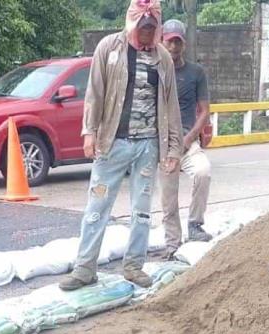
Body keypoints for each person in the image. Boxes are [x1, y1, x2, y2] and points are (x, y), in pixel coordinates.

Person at [61, 0, 182, 292]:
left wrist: (174, 149)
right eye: (142, 27)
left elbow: (171, 105)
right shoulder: (109, 48)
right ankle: (85, 268)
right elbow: (95, 93)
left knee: (141, 209)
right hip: (112, 142)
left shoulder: (162, 57)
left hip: (148, 145)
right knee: (97, 206)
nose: (146, 33)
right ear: (131, 24)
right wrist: (89, 132)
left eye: (151, 28)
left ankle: (134, 266)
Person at [159, 18, 212, 256]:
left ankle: (195, 224)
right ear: (162, 42)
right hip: (163, 145)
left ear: (184, 44)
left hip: (187, 142)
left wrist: (190, 138)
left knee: (203, 172)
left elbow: (205, 111)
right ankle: (172, 242)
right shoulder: (155, 72)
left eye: (177, 43)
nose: (173, 48)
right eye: (169, 42)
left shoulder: (195, 72)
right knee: (168, 197)